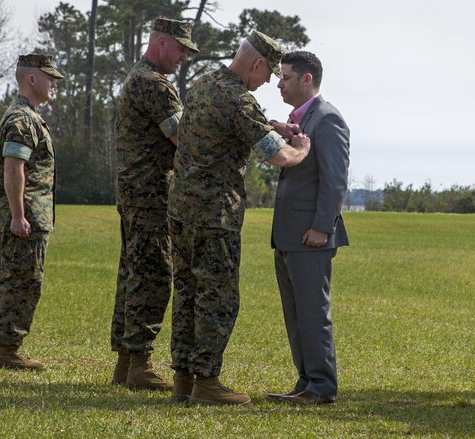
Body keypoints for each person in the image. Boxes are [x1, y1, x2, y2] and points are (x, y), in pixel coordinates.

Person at [167, 31, 312, 406]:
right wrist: (300, 148)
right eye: (268, 75)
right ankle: (208, 383)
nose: (268, 83)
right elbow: (279, 158)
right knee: (219, 299)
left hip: (180, 210)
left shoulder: (203, 84)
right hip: (214, 216)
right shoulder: (238, 99)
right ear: (258, 64)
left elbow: (198, 132)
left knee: (186, 294)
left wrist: (273, 127)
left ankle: (183, 380)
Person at [110, 17, 199, 391]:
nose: (183, 58)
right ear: (161, 42)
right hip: (151, 196)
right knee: (153, 274)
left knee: (133, 272)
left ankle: (127, 362)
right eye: (180, 49)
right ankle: (140, 363)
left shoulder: (138, 77)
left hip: (136, 192)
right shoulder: (153, 84)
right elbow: (186, 138)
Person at [265, 51, 350, 405]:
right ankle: (306, 382)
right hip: (288, 235)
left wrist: (321, 228)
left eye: (284, 77)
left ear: (306, 80)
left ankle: (321, 386)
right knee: (296, 314)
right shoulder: (298, 121)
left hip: (310, 237)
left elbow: (335, 181)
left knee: (313, 313)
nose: (278, 83)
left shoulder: (327, 119)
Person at [0, 54, 64, 370]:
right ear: (32, 79)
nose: (54, 83)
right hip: (25, 219)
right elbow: (13, 168)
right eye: (50, 77)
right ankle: (5, 351)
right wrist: (18, 215)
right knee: (21, 281)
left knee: (21, 279)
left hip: (30, 217)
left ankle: (6, 348)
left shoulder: (28, 116)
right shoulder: (22, 119)